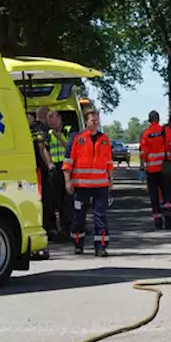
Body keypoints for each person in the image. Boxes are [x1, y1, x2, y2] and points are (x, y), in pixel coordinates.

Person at [63, 110, 114, 256]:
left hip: (100, 186)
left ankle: (101, 247)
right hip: (81, 186)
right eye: (92, 120)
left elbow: (109, 162)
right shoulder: (77, 139)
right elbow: (68, 163)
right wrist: (68, 181)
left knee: (101, 217)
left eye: (97, 121)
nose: (95, 123)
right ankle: (78, 244)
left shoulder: (104, 139)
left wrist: (111, 180)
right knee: (79, 217)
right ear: (86, 121)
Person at [139, 110, 171, 231]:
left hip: (151, 169)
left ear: (149, 121)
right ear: (158, 119)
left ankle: (157, 219)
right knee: (167, 193)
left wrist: (141, 167)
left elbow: (143, 153)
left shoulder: (146, 134)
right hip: (165, 167)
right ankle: (168, 217)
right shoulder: (165, 131)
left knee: (154, 195)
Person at [43, 110, 73, 242]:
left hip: (67, 166)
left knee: (68, 199)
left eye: (53, 119)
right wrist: (49, 163)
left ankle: (67, 227)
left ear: (59, 119)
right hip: (56, 168)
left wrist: (59, 136)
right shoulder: (48, 134)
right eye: (49, 121)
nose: (51, 123)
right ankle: (61, 228)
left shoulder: (68, 130)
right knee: (57, 199)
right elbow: (45, 148)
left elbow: (70, 148)